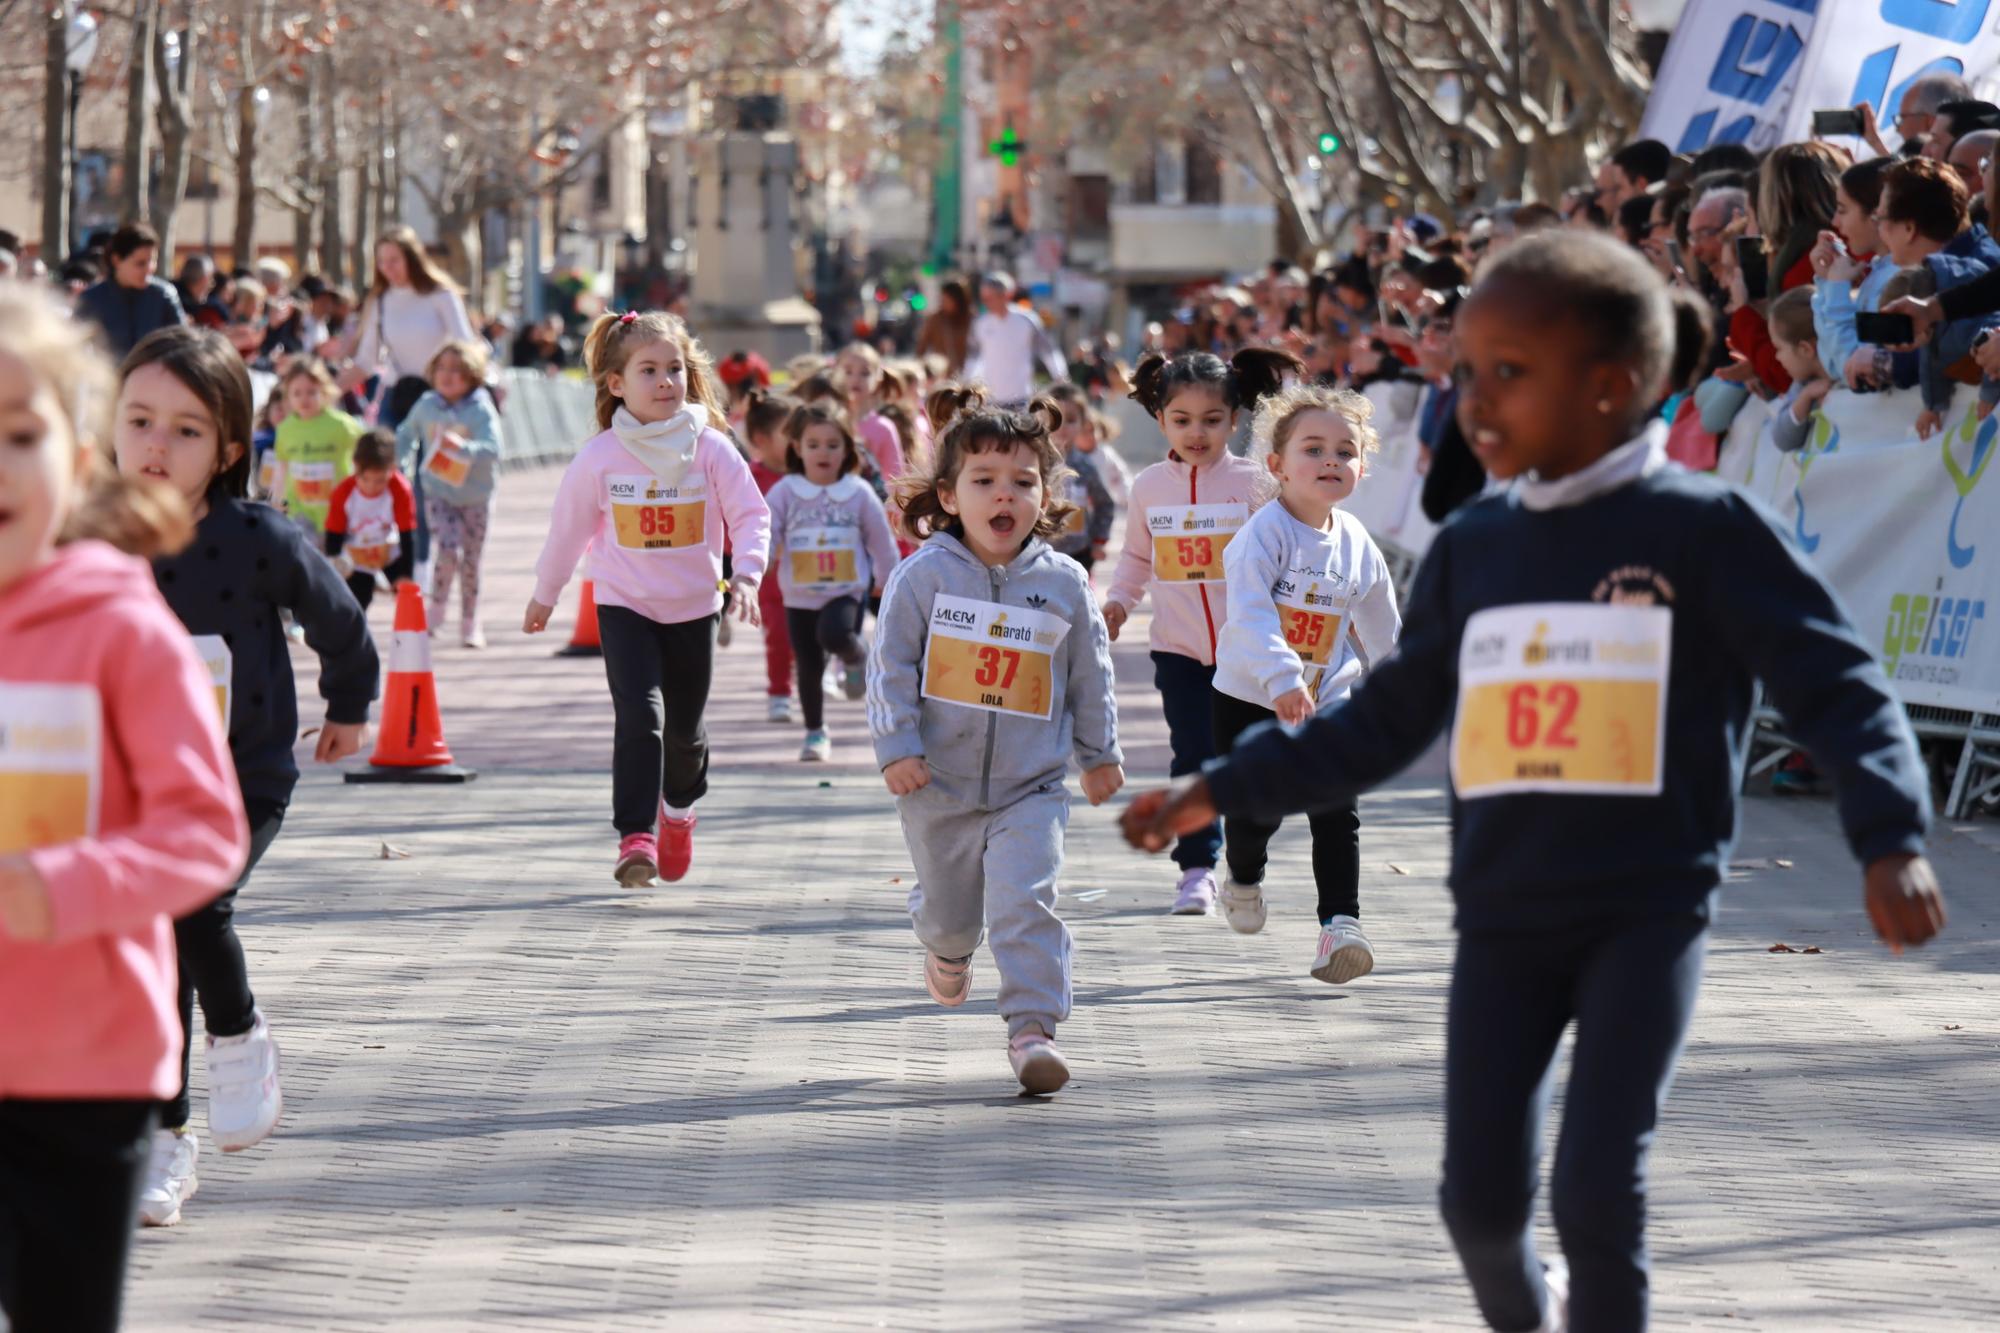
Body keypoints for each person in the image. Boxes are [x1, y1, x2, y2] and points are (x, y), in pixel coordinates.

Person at [1120, 231, 1946, 1333]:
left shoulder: (1699, 528)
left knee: (1597, 1194)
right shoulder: (1476, 545)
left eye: (1507, 373)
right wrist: (1220, 787)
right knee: (1477, 1204)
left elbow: (1835, 681)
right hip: (1504, 915)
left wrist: (1888, 835)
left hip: (1644, 910)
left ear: (1611, 388)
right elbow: (1386, 716)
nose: (1471, 400)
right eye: (1466, 371)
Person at [0, 290, 245, 1333]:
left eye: (21, 431)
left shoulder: (118, 626)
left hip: (79, 1061)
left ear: (76, 454)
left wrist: (63, 886)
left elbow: (204, 832)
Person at [109, 326, 378, 1229]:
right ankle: (164, 1134)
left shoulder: (259, 537)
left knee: (190, 905)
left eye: (185, 431)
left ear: (228, 449)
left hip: (241, 773)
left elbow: (340, 622)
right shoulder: (87, 536)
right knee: (152, 945)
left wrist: (347, 706)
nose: (156, 444)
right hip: (123, 785)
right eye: (139, 420)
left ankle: (240, 1032)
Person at [866, 387, 1123, 1095]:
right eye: (984, 481)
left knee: (1025, 899)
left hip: (1030, 785)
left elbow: (1088, 677)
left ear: (1044, 495)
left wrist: (1099, 756)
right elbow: (888, 667)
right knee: (953, 922)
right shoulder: (923, 578)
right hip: (936, 785)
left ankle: (1032, 1029)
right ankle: (946, 951)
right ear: (949, 496)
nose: (1003, 496)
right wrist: (897, 746)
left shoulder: (1065, 583)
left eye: (1022, 481)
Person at [523, 310, 770, 886]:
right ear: (616, 384)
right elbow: (569, 530)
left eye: (675, 369)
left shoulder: (710, 449)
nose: (665, 382)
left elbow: (751, 516)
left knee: (685, 730)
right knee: (641, 716)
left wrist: (750, 576)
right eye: (649, 370)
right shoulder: (601, 457)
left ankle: (678, 813)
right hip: (623, 604)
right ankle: (635, 836)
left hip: (692, 608)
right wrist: (545, 593)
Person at [1209, 384, 1401, 980]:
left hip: (1327, 702)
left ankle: (1340, 925)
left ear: (1361, 468)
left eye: (1345, 452)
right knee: (1255, 811)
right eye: (1313, 449)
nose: (1330, 462)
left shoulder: (1356, 543)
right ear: (1277, 465)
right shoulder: (1262, 538)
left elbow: (1380, 620)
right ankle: (1242, 875)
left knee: (1335, 809)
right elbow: (1250, 617)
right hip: (1250, 697)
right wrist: (1284, 680)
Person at [1100, 347, 1301, 916]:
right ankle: (1195, 871)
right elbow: (1138, 558)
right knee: (1192, 758)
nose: (1197, 432)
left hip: (1248, 656)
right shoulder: (1149, 488)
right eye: (1182, 419)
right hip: (1179, 653)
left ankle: (1246, 864)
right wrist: (1117, 602)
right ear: (1160, 419)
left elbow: (1286, 558)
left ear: (1235, 420)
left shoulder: (1256, 484)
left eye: (1212, 420)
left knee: (1249, 764)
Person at [766, 402, 902, 761]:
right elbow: (767, 529)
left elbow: (881, 541)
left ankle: (857, 655)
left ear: (847, 449)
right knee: (809, 666)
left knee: (835, 634)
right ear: (797, 448)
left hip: (846, 591)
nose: (823, 452)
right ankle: (815, 733)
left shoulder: (858, 493)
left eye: (832, 444)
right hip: (798, 596)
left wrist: (887, 578)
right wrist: (759, 558)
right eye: (813, 445)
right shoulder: (785, 491)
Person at [395, 338, 505, 646]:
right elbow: (406, 432)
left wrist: (465, 448)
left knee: (471, 560)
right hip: (438, 492)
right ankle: (437, 609)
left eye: (456, 370)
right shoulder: (427, 405)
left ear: (472, 375)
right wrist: (399, 463)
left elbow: (495, 449)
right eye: (442, 368)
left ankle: (471, 622)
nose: (447, 375)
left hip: (477, 496)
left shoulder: (480, 409)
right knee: (447, 548)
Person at [341, 225, 476, 426]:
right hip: (396, 396)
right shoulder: (380, 302)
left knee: (433, 457)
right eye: (381, 262)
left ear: (411, 258)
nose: (388, 268)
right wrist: (326, 391)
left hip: (438, 397)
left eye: (394, 260)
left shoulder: (441, 295)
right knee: (390, 454)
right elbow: (367, 360)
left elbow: (465, 346)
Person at [742, 389, 801, 723]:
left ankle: (817, 673)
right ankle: (779, 692)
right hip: (771, 578)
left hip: (811, 574)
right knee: (778, 635)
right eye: (788, 434)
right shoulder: (749, 476)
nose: (797, 442)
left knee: (811, 635)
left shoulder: (808, 473)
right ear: (762, 439)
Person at [1810, 157, 1895, 385]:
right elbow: (1830, 360)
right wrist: (1827, 282)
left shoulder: (1897, 280)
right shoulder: (1881, 270)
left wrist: (1837, 290)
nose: (1835, 222)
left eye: (1842, 210)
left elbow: (1853, 371)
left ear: (1877, 214)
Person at [323, 427, 418, 611]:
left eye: (380, 480)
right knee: (356, 604)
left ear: (392, 469)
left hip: (387, 550)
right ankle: (354, 636)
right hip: (356, 556)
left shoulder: (400, 489)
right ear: (356, 467)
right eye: (365, 479)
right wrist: (334, 564)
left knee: (408, 594)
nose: (372, 487)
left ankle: (408, 636)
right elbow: (334, 532)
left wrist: (406, 574)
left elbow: (408, 531)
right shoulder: (343, 492)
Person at [272, 357, 363, 539]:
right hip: (300, 513)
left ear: (325, 390)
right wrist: (276, 502)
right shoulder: (285, 429)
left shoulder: (342, 425)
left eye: (311, 392)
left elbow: (365, 457)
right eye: (297, 393)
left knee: (338, 564)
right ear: (288, 396)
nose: (304, 399)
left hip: (339, 511)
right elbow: (282, 468)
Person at [74, 222, 186, 359]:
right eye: (140, 263)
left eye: (153, 261)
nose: (149, 269)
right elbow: (75, 349)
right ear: (116, 261)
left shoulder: (163, 295)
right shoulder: (91, 300)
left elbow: (183, 345)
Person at [1038, 382, 1115, 575]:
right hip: (1040, 552)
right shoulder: (1033, 464)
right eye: (1056, 419)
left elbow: (1104, 503)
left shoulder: (1086, 466)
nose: (1063, 427)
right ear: (1042, 419)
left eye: (1071, 420)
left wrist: (1099, 540)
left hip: (1080, 552)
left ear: (1083, 423)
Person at [963, 272, 1067, 405]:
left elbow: (1047, 350)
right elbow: (974, 357)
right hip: (991, 399)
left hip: (1021, 398)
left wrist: (1060, 376)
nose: (986, 303)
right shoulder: (980, 324)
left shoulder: (1028, 320)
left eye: (990, 297)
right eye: (984, 298)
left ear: (1007, 295)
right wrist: (967, 385)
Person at [1764, 288, 1836, 454]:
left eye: (1779, 348)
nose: (1777, 357)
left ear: (1805, 349)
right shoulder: (1803, 386)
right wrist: (1803, 399)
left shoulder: (1852, 373)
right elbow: (1782, 439)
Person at [836, 341, 907, 484]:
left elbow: (895, 478)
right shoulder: (830, 423)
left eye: (865, 373)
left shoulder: (884, 428)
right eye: (848, 372)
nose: (855, 379)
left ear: (878, 378)